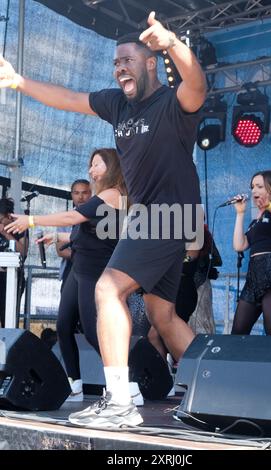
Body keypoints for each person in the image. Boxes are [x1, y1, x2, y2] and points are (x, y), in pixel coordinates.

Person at [1, 11, 206, 428]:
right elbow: (71, 99)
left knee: (108, 288)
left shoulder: (172, 103)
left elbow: (197, 84)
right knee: (162, 316)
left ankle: (119, 404)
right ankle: (219, 386)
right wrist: (20, 82)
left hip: (166, 217)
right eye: (115, 63)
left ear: (150, 63)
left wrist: (172, 43)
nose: (118, 68)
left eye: (127, 60)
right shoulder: (117, 105)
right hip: (161, 221)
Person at [6, 148, 127, 403]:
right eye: (90, 165)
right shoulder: (104, 195)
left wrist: (32, 220)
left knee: (95, 332)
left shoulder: (115, 194)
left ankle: (126, 383)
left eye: (96, 165)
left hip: (95, 268)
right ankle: (76, 383)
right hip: (79, 267)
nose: (91, 170)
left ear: (112, 167)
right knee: (63, 325)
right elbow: (93, 230)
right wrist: (60, 237)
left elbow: (76, 216)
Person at [231, 170, 271, 336]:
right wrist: (240, 213)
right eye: (252, 187)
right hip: (254, 276)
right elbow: (240, 245)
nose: (254, 190)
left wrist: (269, 206)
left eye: (259, 186)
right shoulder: (256, 222)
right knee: (238, 332)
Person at [56, 179, 92, 290]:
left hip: (94, 270)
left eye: (84, 193)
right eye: (76, 193)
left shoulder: (100, 217)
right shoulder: (65, 218)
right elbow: (60, 250)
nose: (80, 197)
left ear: (91, 194)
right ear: (72, 195)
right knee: (67, 306)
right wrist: (83, 256)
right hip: (71, 267)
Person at [0, 198, 28, 327]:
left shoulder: (19, 227)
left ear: (9, 216)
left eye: (0, 220)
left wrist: (6, 233)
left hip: (12, 278)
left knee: (9, 317)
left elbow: (23, 251)